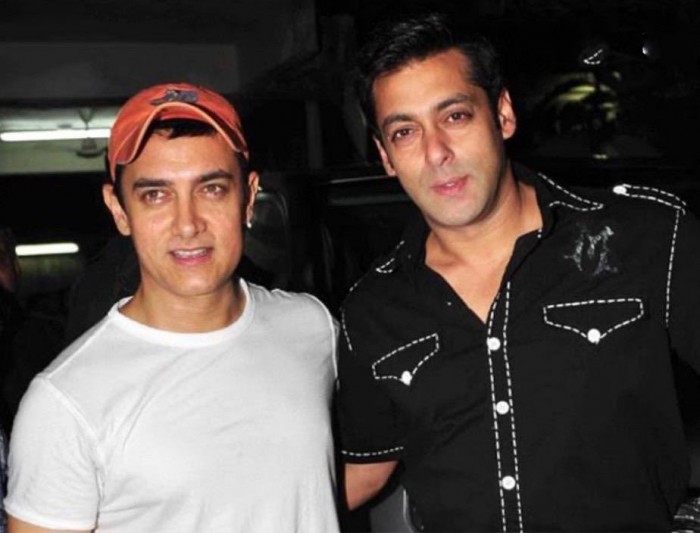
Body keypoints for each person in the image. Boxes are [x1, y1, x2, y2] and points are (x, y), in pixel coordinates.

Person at [337, 13, 700, 532]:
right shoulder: (372, 309)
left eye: (455, 116)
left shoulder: (645, 237)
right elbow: (366, 469)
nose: (436, 153)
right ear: (385, 156)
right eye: (405, 131)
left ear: (503, 115)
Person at [5, 83, 339, 533]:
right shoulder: (65, 402)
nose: (188, 224)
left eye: (212, 189)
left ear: (248, 197)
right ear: (118, 210)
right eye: (156, 195)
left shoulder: (313, 328)